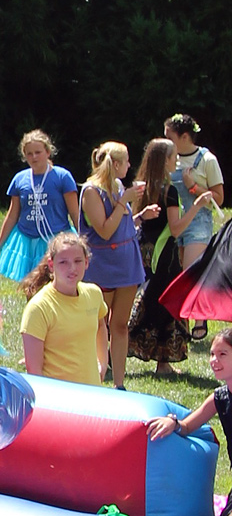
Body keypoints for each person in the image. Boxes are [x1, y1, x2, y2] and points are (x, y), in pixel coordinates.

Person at [127, 138, 214, 374]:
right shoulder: (170, 191)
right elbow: (176, 229)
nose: (176, 159)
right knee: (167, 301)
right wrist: (196, 206)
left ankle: (122, 350)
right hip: (165, 255)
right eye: (173, 155)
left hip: (143, 251)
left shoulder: (142, 187)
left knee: (144, 297)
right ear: (164, 160)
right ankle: (163, 362)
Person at [147, 327, 232, 516]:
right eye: (212, 354)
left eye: (222, 354)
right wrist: (172, 423)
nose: (214, 360)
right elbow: (187, 426)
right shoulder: (219, 399)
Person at [79, 141, 145, 390]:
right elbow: (105, 231)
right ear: (115, 164)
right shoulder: (91, 191)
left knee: (120, 325)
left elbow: (120, 226)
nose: (129, 165)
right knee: (98, 322)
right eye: (127, 161)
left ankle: (119, 384)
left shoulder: (117, 186)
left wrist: (139, 215)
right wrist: (123, 202)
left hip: (127, 262)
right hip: (103, 264)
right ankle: (96, 374)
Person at [0, 129, 79, 281]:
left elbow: (75, 213)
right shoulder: (20, 179)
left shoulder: (62, 176)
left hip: (56, 238)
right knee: (31, 285)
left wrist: (82, 241)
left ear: (48, 152)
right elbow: (12, 216)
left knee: (58, 285)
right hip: (27, 241)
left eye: (38, 152)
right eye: (29, 153)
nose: (34, 157)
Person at [163, 113, 225, 341]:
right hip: (173, 222)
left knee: (190, 272)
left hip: (198, 222)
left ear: (185, 137)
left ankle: (199, 318)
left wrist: (193, 187)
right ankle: (180, 326)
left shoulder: (207, 160)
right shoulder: (170, 159)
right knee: (175, 273)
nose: (166, 141)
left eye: (170, 137)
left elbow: (218, 198)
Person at [20, 232, 108, 385]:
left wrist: (103, 363)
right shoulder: (38, 308)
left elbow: (101, 325)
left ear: (86, 262)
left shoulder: (94, 294)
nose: (72, 268)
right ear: (51, 265)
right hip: (59, 402)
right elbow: (34, 371)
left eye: (78, 261)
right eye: (63, 262)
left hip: (94, 395)